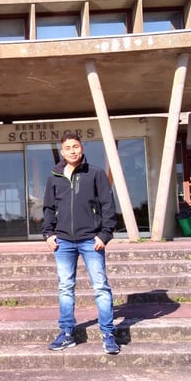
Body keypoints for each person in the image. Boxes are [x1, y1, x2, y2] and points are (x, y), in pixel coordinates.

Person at [41, 132, 120, 354]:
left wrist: (105, 235)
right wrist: (48, 234)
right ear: (62, 151)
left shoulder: (95, 174)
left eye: (75, 146)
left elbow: (108, 205)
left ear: (82, 148)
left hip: (91, 240)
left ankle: (108, 334)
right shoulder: (54, 176)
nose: (72, 151)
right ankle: (67, 333)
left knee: (101, 287)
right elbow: (48, 208)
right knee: (65, 288)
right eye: (67, 148)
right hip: (63, 241)